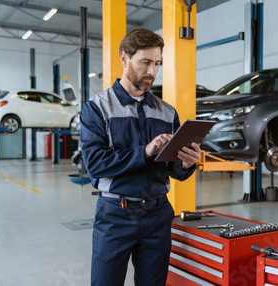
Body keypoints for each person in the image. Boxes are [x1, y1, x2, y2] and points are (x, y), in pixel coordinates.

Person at [80, 28, 201, 286]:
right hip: (115, 215)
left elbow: (173, 169)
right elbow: (95, 164)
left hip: (158, 215)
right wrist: (144, 152)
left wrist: (187, 164)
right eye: (145, 62)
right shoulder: (97, 108)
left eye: (157, 63)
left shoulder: (167, 112)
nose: (152, 71)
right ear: (125, 59)